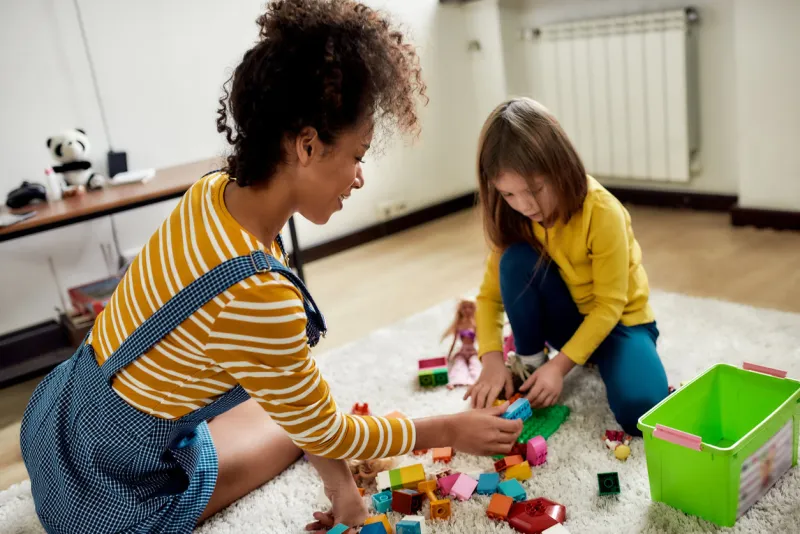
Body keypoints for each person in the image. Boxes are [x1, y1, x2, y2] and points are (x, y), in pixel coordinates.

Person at [19, 2, 522, 533]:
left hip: (59, 420)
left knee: (293, 401)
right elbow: (328, 432)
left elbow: (296, 395)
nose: (359, 178)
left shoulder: (212, 195)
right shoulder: (258, 293)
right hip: (108, 491)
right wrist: (450, 427)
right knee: (299, 425)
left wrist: (345, 494)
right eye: (358, 155)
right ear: (307, 145)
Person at [464, 97, 669, 437]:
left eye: (535, 190)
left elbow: (609, 305)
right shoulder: (514, 218)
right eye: (509, 195)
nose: (525, 205)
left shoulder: (602, 211)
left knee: (642, 412)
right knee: (516, 261)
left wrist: (561, 367)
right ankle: (530, 361)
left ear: (560, 167)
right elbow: (488, 299)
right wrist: (491, 361)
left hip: (621, 323)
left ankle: (590, 361)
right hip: (567, 318)